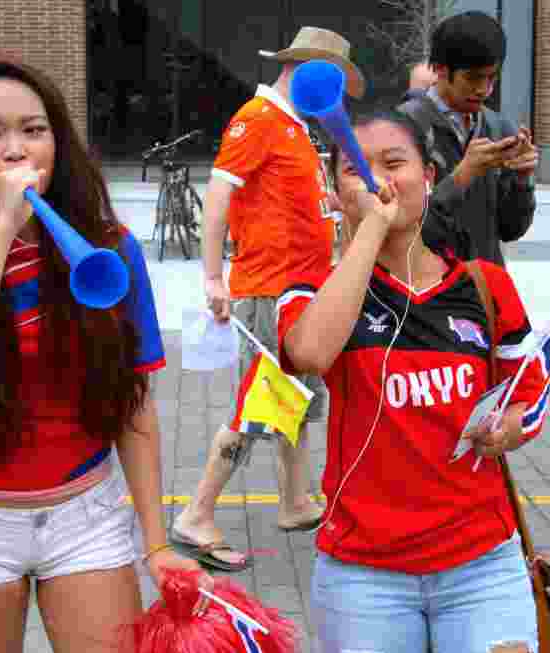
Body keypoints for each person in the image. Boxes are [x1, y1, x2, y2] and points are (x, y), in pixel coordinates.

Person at [0, 58, 208, 652]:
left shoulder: (111, 248)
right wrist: (5, 229)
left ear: (58, 140)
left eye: (34, 130)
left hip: (84, 514)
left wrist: (157, 542)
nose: (16, 150)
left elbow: (134, 408)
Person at [277, 107, 550, 653]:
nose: (378, 177)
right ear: (334, 191)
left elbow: (528, 395)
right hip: (363, 575)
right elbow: (308, 353)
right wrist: (372, 227)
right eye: (356, 168)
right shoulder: (313, 287)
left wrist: (511, 428)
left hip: (481, 565)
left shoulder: (485, 285)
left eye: (394, 162)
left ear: (428, 177)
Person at [171, 27, 360, 572]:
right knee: (262, 403)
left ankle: (296, 502)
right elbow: (219, 196)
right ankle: (197, 515)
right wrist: (212, 278)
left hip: (298, 289)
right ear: (308, 70)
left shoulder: (295, 126)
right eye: (333, 83)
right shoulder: (258, 120)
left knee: (291, 400)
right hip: (271, 289)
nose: (337, 98)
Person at [399, 10, 538, 266]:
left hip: (486, 289)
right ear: (441, 70)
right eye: (473, 78)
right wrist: (462, 177)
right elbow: (404, 227)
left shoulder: (498, 127)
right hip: (427, 294)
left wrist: (522, 179)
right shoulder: (403, 129)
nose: (484, 89)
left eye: (491, 77)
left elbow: (511, 230)